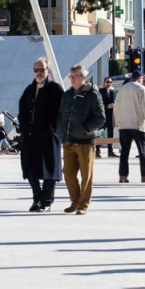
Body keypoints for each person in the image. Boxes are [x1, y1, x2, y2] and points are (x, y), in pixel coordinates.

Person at [56, 64, 105, 215]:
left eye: (75, 76)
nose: (72, 79)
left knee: (86, 176)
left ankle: (83, 204)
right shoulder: (67, 94)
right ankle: (75, 201)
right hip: (69, 140)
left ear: (83, 77)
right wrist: (61, 131)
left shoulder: (92, 95)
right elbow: (60, 115)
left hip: (85, 141)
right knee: (68, 174)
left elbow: (101, 118)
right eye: (71, 76)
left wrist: (86, 128)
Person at [19, 58, 64, 211]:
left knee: (49, 171)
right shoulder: (29, 90)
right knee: (30, 169)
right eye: (36, 70)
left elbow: (60, 112)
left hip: (48, 137)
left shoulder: (55, 89)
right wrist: (24, 129)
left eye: (41, 70)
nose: (38, 73)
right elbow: (23, 112)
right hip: (30, 137)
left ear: (48, 71)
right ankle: (37, 197)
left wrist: (52, 129)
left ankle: (46, 201)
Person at [114, 72, 145, 183]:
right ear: (140, 78)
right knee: (142, 150)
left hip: (123, 124)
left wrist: (117, 121)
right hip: (137, 124)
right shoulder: (142, 89)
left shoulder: (122, 89)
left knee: (124, 152)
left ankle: (122, 175)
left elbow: (116, 106)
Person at [96, 77, 117, 158]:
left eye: (110, 82)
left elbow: (116, 102)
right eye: (107, 82)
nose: (109, 83)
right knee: (100, 133)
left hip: (110, 116)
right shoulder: (101, 92)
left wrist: (114, 105)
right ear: (104, 82)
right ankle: (97, 150)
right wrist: (106, 106)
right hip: (102, 116)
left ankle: (110, 150)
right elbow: (98, 104)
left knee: (110, 133)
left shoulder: (113, 92)